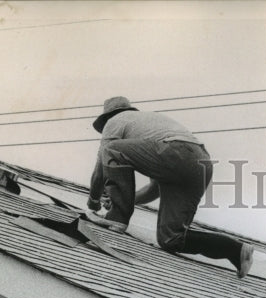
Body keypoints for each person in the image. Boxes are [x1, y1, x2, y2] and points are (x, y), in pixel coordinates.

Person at [85, 96, 253, 278]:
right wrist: (122, 198)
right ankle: (236, 250)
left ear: (107, 118)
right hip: (199, 164)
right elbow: (154, 189)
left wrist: (93, 201)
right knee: (171, 239)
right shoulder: (147, 128)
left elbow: (102, 167)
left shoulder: (115, 120)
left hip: (175, 151)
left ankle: (117, 218)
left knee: (111, 150)